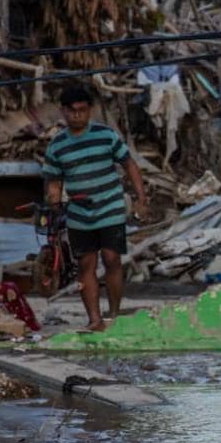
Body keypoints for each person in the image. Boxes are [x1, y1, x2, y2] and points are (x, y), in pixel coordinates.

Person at [42, 85, 147, 332]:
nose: (77, 115)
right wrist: (54, 200)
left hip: (110, 207)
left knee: (112, 259)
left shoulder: (105, 135)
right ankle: (94, 320)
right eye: (72, 111)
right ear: (63, 112)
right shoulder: (57, 146)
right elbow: (54, 181)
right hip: (79, 213)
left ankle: (113, 314)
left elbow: (129, 164)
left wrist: (141, 198)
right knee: (86, 265)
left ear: (90, 110)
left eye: (82, 110)